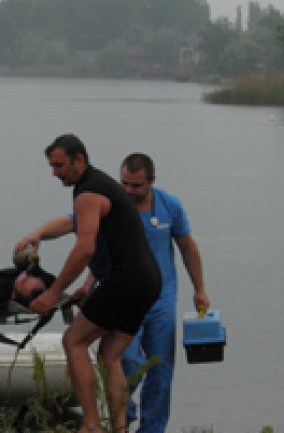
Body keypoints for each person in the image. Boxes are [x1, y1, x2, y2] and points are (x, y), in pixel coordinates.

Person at [15, 134, 161, 433]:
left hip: (124, 280)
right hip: (148, 280)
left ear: (78, 160)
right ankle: (118, 428)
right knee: (110, 354)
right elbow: (72, 223)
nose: (54, 172)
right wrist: (39, 234)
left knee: (74, 341)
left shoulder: (88, 193)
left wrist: (52, 294)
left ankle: (92, 425)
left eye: (58, 165)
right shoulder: (100, 185)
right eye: (51, 166)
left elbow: (85, 249)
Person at [118, 152, 210, 433]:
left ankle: (153, 428)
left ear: (152, 181)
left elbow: (187, 247)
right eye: (125, 184)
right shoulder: (113, 204)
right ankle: (124, 414)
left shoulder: (170, 205)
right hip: (123, 298)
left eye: (136, 185)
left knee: (160, 371)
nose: (129, 191)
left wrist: (200, 289)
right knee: (127, 360)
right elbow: (85, 236)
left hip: (161, 299)